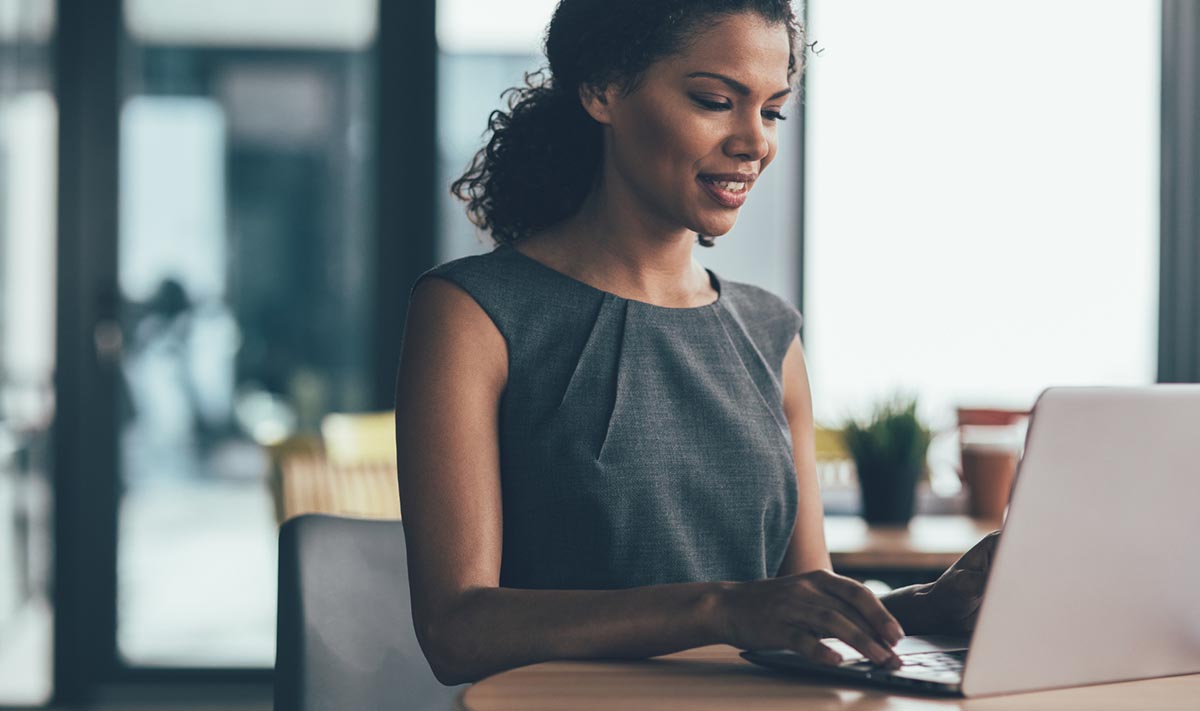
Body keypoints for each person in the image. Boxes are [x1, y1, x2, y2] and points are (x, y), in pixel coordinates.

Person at [395, 0, 998, 686]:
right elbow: (457, 629)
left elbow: (797, 606)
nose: (756, 141)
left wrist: (929, 604)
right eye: (716, 100)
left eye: (772, 111)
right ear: (602, 88)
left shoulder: (772, 332)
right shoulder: (472, 313)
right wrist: (721, 607)